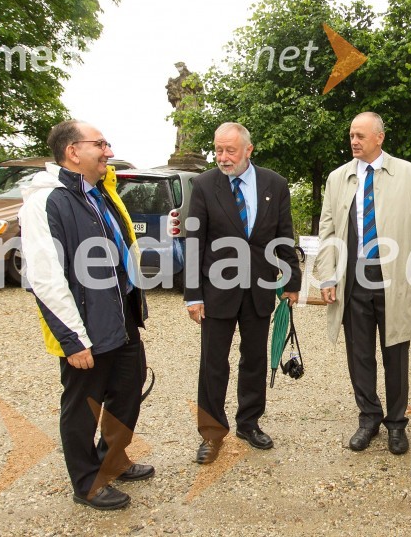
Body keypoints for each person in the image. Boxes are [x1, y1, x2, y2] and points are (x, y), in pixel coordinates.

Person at [20, 120, 153, 510]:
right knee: (84, 405)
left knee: (129, 389)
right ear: (73, 151)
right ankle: (87, 483)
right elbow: (44, 278)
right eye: (101, 144)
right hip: (84, 324)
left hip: (122, 315)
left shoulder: (100, 193)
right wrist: (73, 339)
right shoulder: (46, 201)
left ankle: (111, 460)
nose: (109, 152)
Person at [316, 112, 411, 455]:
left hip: (393, 280)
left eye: (361, 136)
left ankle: (396, 423)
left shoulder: (408, 174)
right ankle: (368, 417)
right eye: (351, 135)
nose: (354, 141)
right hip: (352, 281)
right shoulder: (338, 178)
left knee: (396, 352)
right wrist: (326, 274)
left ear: (379, 138)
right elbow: (328, 231)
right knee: (360, 355)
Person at [184, 122, 301, 464]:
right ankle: (211, 433)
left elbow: (284, 234)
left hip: (259, 289)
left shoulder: (274, 184)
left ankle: (248, 423)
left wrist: (292, 281)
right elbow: (194, 243)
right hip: (216, 290)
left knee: (254, 360)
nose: (222, 157)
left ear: (248, 150)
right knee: (213, 364)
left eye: (229, 150)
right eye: (218, 150)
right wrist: (193, 294)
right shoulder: (204, 185)